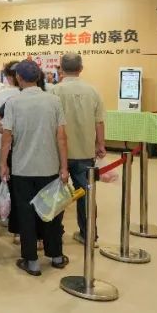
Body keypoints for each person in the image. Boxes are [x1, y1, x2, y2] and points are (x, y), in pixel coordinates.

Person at [0, 60, 70, 277]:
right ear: (38, 77)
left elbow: (7, 137)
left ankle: (31, 261)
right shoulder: (53, 101)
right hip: (49, 167)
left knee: (26, 214)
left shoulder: (13, 103)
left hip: (22, 169)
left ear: (18, 78)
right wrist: (64, 167)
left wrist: (3, 164)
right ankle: (56, 256)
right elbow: (61, 137)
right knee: (52, 212)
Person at [52, 53, 106, 244]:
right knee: (87, 194)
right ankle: (89, 234)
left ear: (61, 68)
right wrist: (100, 144)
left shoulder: (54, 91)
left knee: (56, 195)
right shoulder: (93, 91)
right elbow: (99, 122)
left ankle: (54, 235)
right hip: (85, 152)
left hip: (59, 155)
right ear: (81, 69)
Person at [0, 61, 22, 240]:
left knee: (4, 183)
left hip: (1, 145)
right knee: (20, 187)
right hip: (22, 148)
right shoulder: (31, 94)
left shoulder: (0, 95)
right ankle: (19, 228)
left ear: (9, 77)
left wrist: (5, 132)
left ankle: (5, 214)